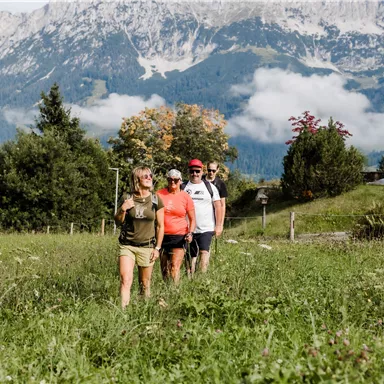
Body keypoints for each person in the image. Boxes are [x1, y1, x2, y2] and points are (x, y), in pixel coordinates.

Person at [114, 166, 164, 309]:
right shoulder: (127, 198)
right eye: (145, 176)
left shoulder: (156, 199)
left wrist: (158, 248)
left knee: (145, 283)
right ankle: (122, 312)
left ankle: (143, 311)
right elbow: (118, 221)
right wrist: (123, 209)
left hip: (147, 246)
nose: (149, 178)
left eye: (150, 175)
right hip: (127, 245)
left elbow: (160, 226)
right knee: (125, 280)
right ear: (137, 179)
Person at [182, 159, 222, 274]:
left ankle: (202, 278)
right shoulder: (183, 187)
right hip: (187, 228)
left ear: (202, 171)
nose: (195, 174)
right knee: (190, 255)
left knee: (204, 252)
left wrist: (219, 225)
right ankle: (190, 278)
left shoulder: (210, 187)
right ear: (188, 171)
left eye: (197, 171)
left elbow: (218, 206)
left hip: (206, 227)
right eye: (192, 171)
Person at [157, 169, 196, 284]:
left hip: (179, 235)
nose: (172, 182)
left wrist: (191, 233)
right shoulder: (159, 194)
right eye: (170, 179)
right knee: (164, 269)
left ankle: (174, 291)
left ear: (180, 181)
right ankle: (166, 290)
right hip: (162, 235)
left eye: (175, 180)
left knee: (174, 266)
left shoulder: (185, 197)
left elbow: (192, 219)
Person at [204, 160, 228, 228]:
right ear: (206, 169)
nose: (211, 172)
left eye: (213, 171)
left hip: (214, 216)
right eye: (209, 170)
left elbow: (222, 205)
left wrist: (220, 224)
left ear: (217, 170)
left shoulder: (221, 184)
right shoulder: (200, 180)